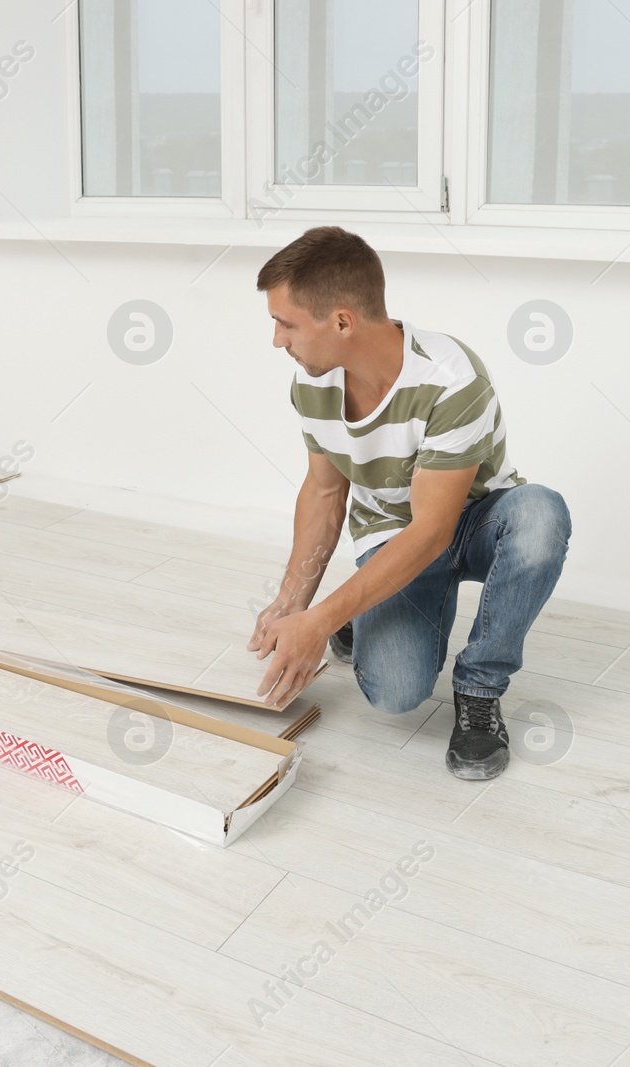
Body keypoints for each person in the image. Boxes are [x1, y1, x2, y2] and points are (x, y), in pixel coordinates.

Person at [245, 226, 573, 781]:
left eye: (286, 323)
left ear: (342, 321)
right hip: (390, 536)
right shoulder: (313, 383)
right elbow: (325, 493)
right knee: (395, 696)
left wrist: (323, 619)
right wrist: (290, 606)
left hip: (474, 523)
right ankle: (364, 611)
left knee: (542, 516)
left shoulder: (451, 379)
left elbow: (434, 531)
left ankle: (479, 692)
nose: (278, 340)